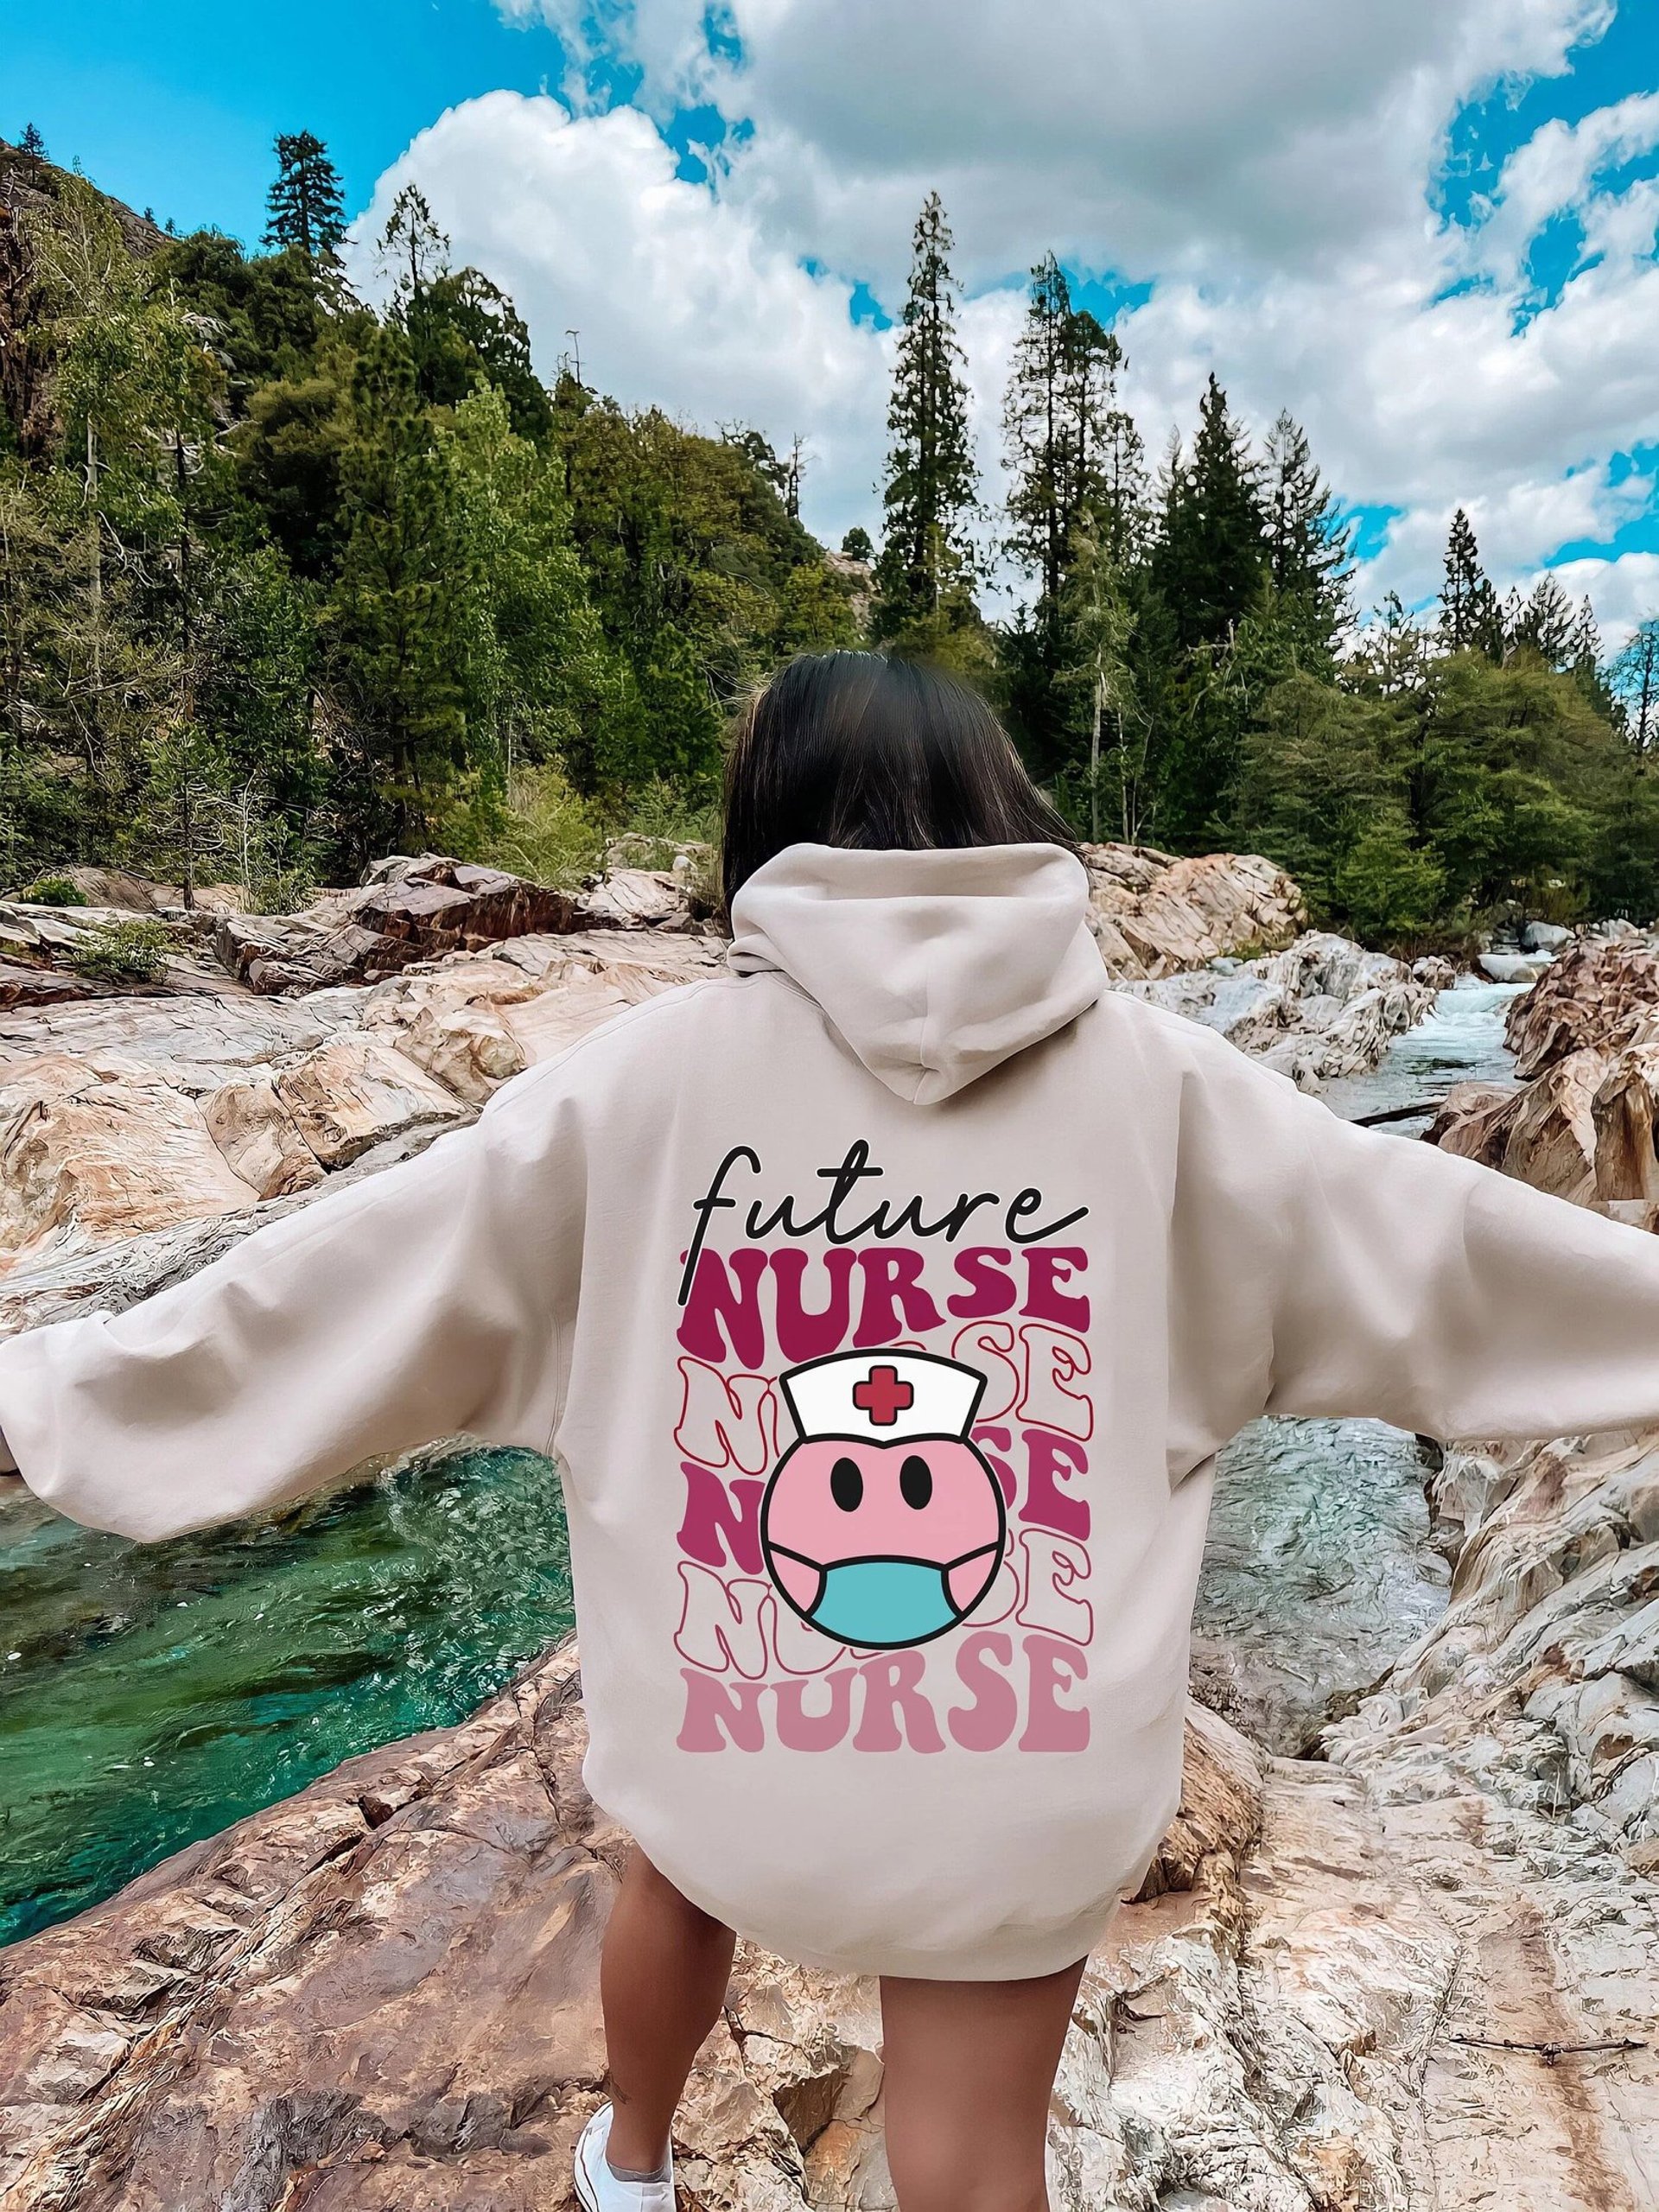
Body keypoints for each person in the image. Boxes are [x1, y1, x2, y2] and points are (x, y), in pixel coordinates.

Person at [6, 650, 1659, 2212]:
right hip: (1024, 1793)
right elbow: (1451, 1255)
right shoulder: (1174, 1090)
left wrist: (53, 1399)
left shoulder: (632, 1088)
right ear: (1008, 813)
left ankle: (631, 2166)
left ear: (763, 829)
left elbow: (327, 1295)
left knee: (668, 1853)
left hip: (738, 1775)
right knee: (968, 2164)